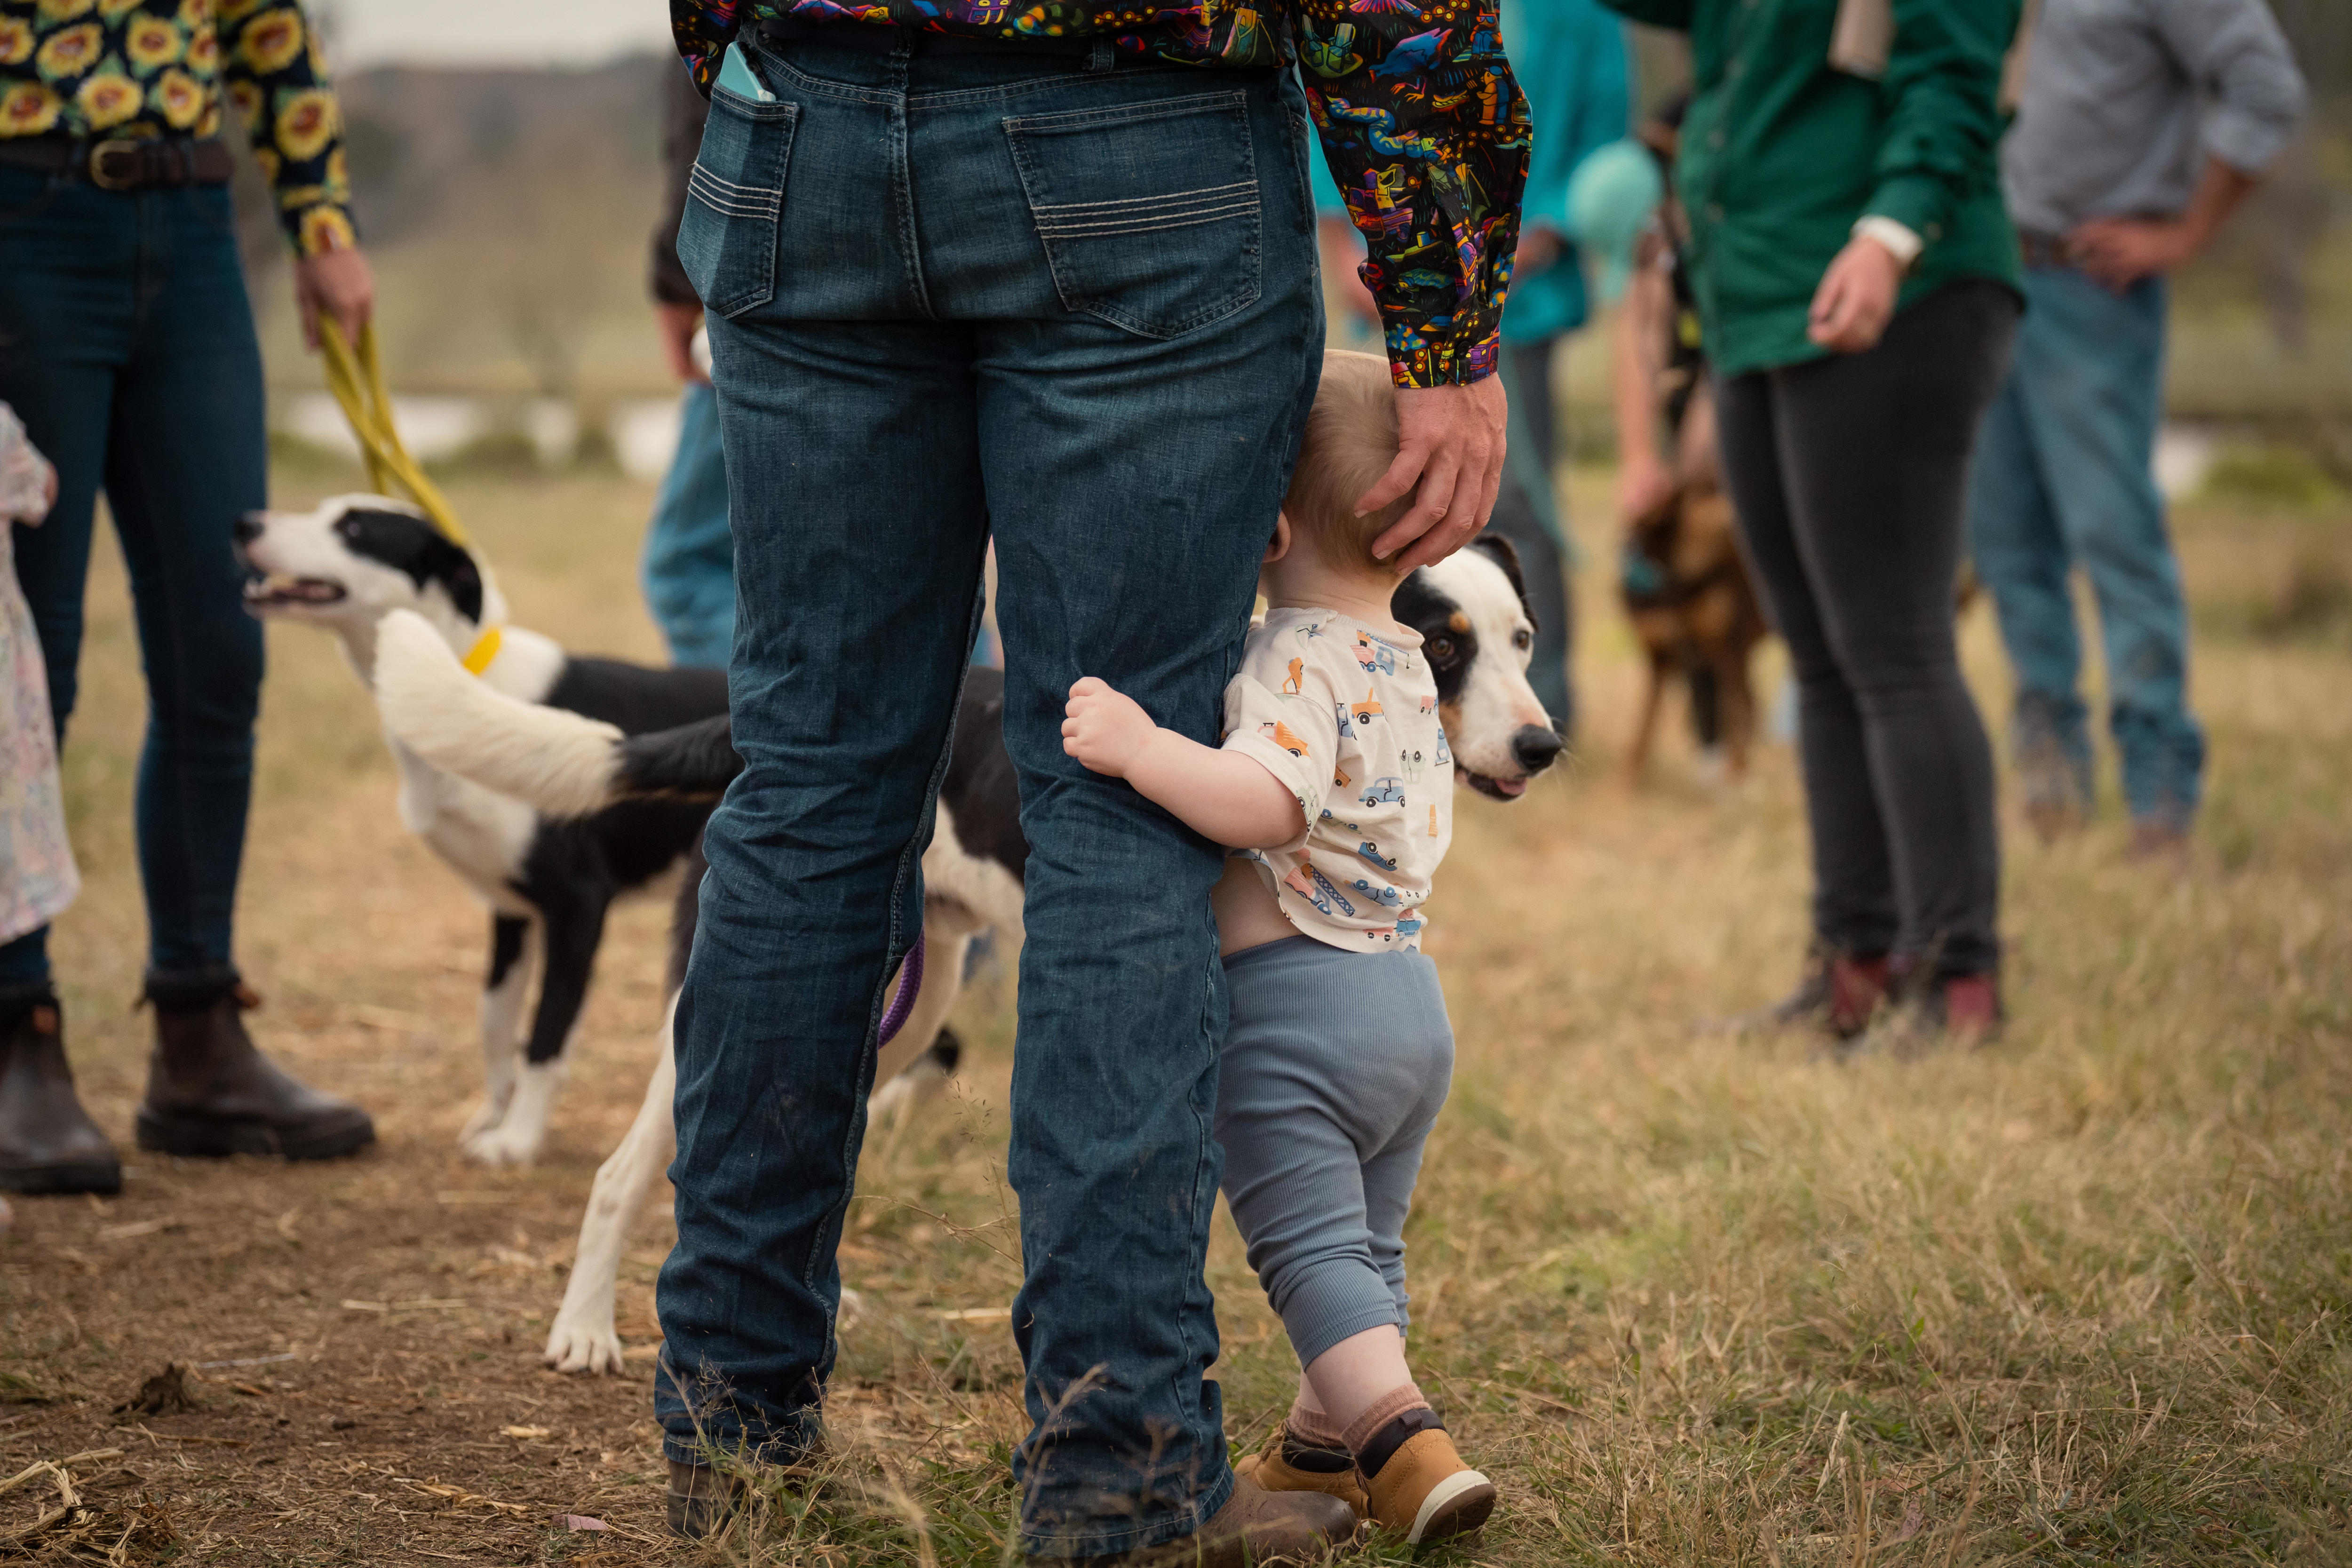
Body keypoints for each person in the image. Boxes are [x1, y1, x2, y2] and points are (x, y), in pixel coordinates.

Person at [655, 5, 1525, 1562]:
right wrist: (1445, 323)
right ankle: (1117, 1475)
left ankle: (735, 1433)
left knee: (808, 790)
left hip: (807, 120)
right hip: (1139, 140)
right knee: (1120, 804)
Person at [1064, 350, 1497, 1549]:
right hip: (1409, 1006)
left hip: (1295, 1011)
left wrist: (1142, 746)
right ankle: (1322, 1441)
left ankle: (1412, 1451)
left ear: (1260, 526)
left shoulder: (1291, 659)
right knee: (1366, 1242)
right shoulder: (1409, 663)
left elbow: (1267, 803)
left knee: (1309, 1252)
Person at [1596, 0, 2025, 1051]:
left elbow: (1951, 69)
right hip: (1754, 297)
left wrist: (1888, 235)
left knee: (1894, 650)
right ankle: (1853, 968)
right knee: (1820, 660)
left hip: (1886, 284)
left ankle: (1956, 985)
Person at [0, 0, 378, 1189]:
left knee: (224, 645)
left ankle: (197, 1033)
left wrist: (322, 221)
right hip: (22, 220)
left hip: (197, 232)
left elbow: (268, 28)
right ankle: (18, 1029)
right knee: (28, 660)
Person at [1966, 0, 2305, 860]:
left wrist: (2188, 232)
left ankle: (2161, 800)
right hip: (1982, 273)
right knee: (2010, 548)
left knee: (2116, 539)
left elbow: (2267, 86)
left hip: (2092, 289)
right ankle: (2052, 788)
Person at [641, 64, 736, 670]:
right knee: (916, 557)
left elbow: (717, 61)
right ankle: (978, 745)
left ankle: (796, 749)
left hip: (774, 261)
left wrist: (682, 271)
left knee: (687, 572)